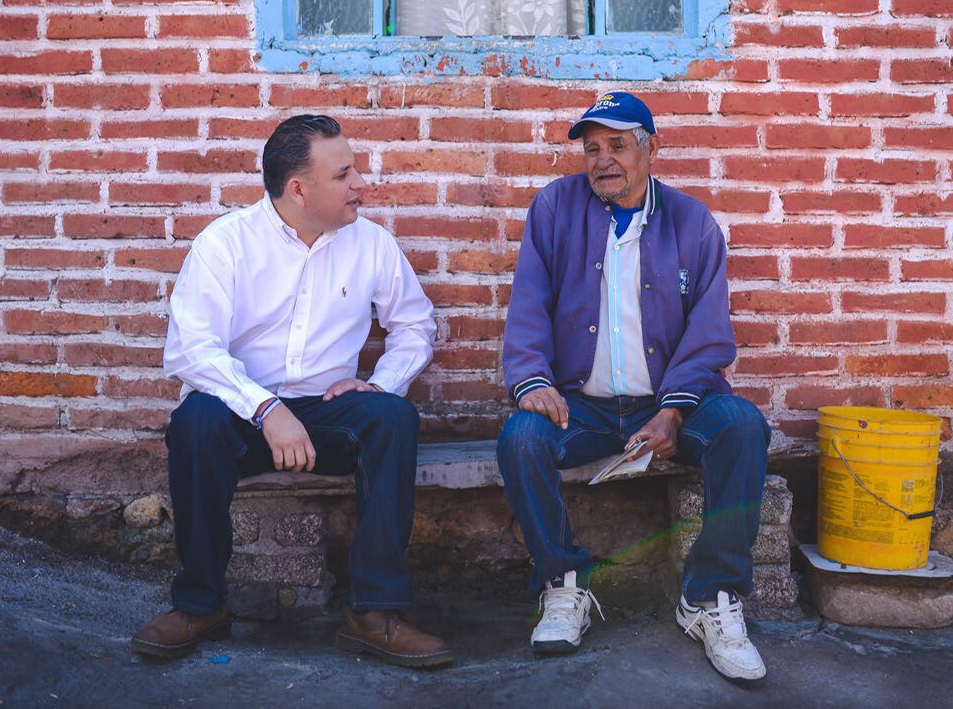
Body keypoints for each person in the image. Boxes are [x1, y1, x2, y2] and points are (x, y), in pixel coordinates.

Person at [129, 115, 452, 668]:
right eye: (344, 174)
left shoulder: (371, 244)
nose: (361, 184)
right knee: (195, 423)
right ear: (299, 189)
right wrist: (266, 408)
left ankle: (373, 613)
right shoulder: (225, 244)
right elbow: (191, 351)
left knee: (393, 418)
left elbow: (415, 326)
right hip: (241, 415)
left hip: (327, 414)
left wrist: (378, 385)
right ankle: (201, 605)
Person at [497, 92, 772, 683]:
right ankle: (563, 586)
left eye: (618, 145)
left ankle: (709, 598)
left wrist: (673, 412)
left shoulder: (692, 222)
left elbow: (709, 334)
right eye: (592, 148)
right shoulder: (555, 208)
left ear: (652, 148)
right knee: (521, 437)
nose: (603, 160)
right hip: (583, 408)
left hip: (670, 406)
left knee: (743, 426)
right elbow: (528, 304)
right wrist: (532, 382)